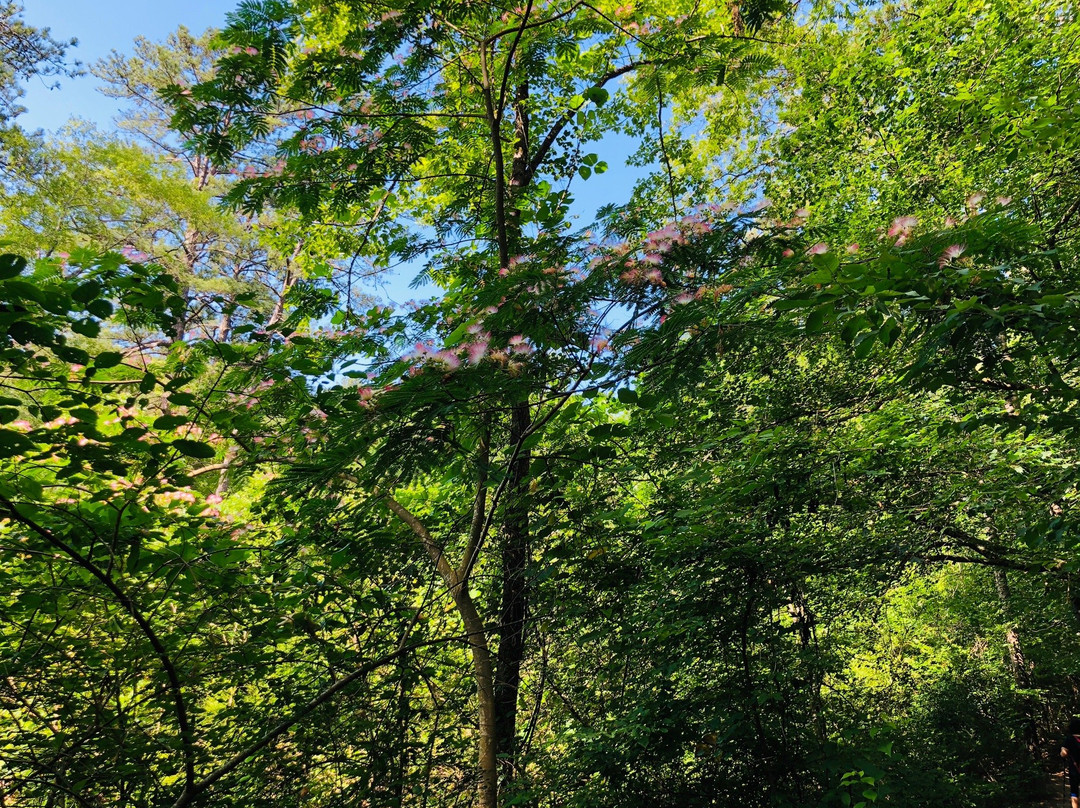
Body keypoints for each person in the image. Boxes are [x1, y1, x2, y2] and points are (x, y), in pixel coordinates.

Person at [1061, 717, 1080, 808]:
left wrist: (1062, 750)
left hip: (1074, 770)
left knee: (1074, 793)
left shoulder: (1069, 739)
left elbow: (1064, 754)